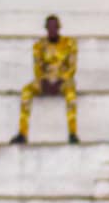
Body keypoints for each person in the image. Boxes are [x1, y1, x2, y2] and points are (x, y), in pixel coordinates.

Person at [12, 14, 78, 145]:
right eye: (50, 27)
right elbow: (37, 67)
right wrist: (43, 81)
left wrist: (61, 80)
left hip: (63, 81)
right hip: (45, 80)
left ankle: (72, 133)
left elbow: (72, 67)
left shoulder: (70, 43)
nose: (52, 30)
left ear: (59, 28)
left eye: (55, 27)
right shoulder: (39, 45)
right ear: (46, 29)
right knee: (26, 91)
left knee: (71, 95)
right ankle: (22, 133)